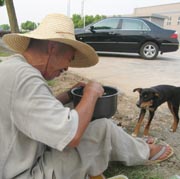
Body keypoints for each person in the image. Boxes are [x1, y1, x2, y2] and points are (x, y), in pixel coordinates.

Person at [0, 13, 173, 179]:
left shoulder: (13, 68)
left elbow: (33, 111)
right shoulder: (26, 78)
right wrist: (90, 93)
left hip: (13, 163)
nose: (67, 68)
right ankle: (144, 151)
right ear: (52, 48)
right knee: (102, 128)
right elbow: (71, 136)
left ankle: (132, 144)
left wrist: (68, 95)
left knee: (71, 108)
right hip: (24, 174)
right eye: (70, 58)